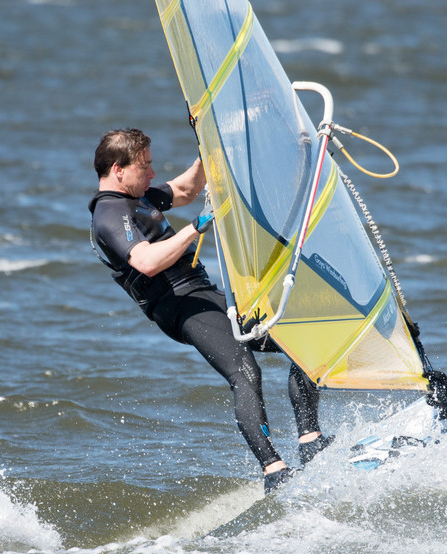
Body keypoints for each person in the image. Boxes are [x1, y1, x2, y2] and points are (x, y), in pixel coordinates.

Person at [88, 128, 332, 493]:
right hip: (178, 306)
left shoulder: (140, 197)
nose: (152, 174)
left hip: (204, 293)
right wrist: (195, 229)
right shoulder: (109, 215)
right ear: (118, 169)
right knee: (245, 372)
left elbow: (186, 189)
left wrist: (212, 140)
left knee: (301, 338)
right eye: (145, 167)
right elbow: (147, 262)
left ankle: (310, 439)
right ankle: (274, 471)